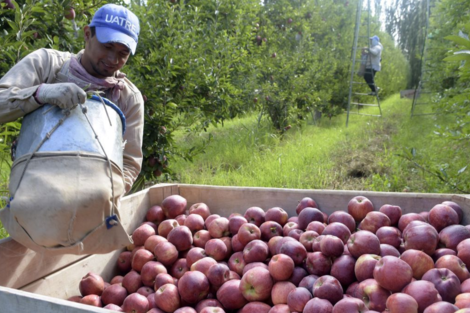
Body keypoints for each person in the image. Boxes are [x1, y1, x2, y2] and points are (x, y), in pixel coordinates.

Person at [0, 4, 144, 194]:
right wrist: (40, 93)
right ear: (87, 35)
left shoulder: (128, 98)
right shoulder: (47, 64)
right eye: (107, 46)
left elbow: (129, 162)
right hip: (33, 194)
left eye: (123, 53)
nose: (113, 59)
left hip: (92, 202)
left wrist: (109, 196)